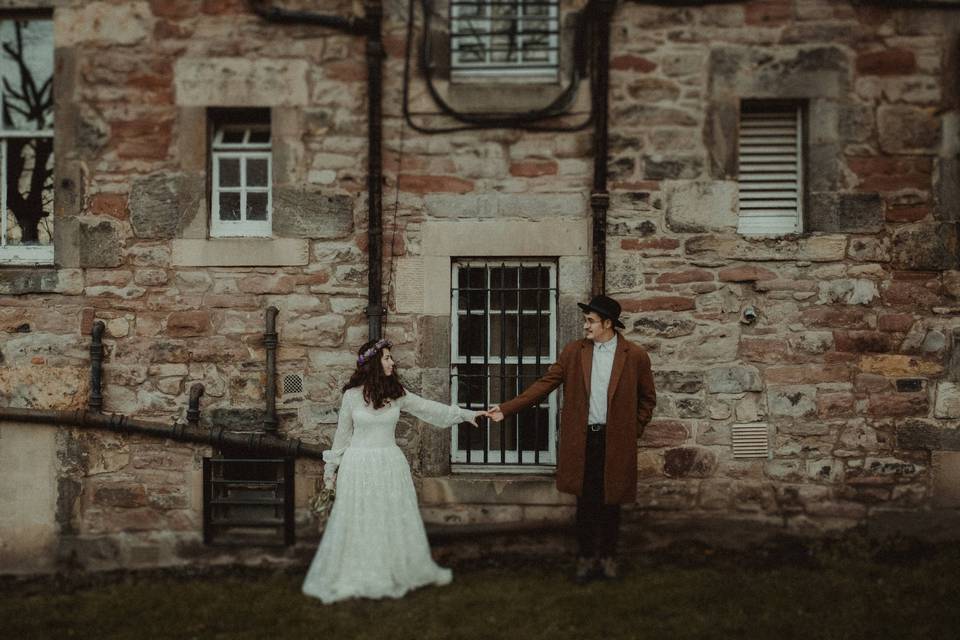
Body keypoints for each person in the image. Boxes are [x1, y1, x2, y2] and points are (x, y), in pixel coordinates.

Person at [302, 338, 488, 603]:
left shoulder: (397, 394)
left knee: (389, 518)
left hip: (389, 464)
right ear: (374, 364)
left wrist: (468, 415)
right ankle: (359, 573)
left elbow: (429, 409)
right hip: (358, 467)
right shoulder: (352, 396)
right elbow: (341, 438)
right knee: (360, 520)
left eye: (391, 357)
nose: (392, 361)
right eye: (387, 357)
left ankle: (391, 569)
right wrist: (330, 477)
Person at [488, 295, 656, 583]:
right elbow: (544, 385)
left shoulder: (635, 356)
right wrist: (506, 409)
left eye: (590, 321)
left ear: (608, 323)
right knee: (586, 503)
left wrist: (632, 431)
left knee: (611, 502)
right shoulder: (574, 352)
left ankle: (609, 558)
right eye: (586, 320)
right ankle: (585, 559)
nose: (585, 325)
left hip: (615, 441)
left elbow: (648, 399)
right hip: (584, 441)